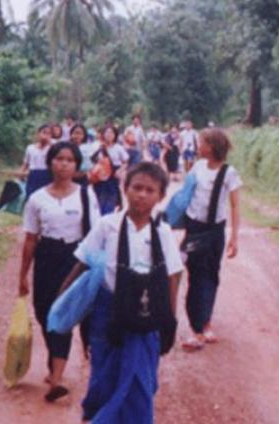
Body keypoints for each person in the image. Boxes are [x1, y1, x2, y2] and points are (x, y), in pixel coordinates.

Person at [61, 162, 184, 423]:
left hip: (145, 314)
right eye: (136, 187)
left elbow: (172, 276)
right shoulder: (108, 225)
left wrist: (169, 319)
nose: (142, 194)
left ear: (161, 196)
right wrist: (64, 298)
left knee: (140, 378)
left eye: (150, 190)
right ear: (124, 188)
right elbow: (83, 261)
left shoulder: (162, 233)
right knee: (104, 371)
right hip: (109, 313)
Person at [19, 142, 101, 403]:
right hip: (47, 258)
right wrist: (22, 275)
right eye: (58, 159)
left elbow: (98, 235)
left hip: (76, 259)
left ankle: (56, 378)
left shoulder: (86, 196)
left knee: (64, 312)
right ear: (50, 162)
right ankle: (54, 364)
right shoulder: (37, 198)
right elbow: (31, 239)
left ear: (77, 165)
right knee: (45, 313)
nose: (63, 164)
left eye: (69, 160)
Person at [180, 128, 242, 351]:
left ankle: (205, 322)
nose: (197, 146)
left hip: (215, 230)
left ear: (212, 147)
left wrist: (234, 237)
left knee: (211, 275)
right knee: (195, 276)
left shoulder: (229, 173)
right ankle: (196, 327)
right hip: (194, 228)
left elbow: (235, 205)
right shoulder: (197, 168)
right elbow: (184, 196)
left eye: (201, 142)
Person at [91, 125, 130, 215]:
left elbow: (126, 161)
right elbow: (92, 160)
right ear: (103, 134)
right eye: (107, 132)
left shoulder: (118, 148)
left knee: (111, 199)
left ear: (115, 135)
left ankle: (108, 215)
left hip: (113, 176)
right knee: (100, 198)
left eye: (111, 133)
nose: (109, 135)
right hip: (100, 176)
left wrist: (120, 170)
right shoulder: (97, 146)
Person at [21, 124, 54, 199]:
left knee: (45, 197)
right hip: (33, 174)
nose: (46, 135)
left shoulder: (52, 148)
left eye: (49, 134)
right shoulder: (30, 148)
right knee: (31, 196)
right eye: (44, 132)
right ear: (38, 134)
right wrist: (21, 173)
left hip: (47, 174)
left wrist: (51, 144)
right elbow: (26, 163)